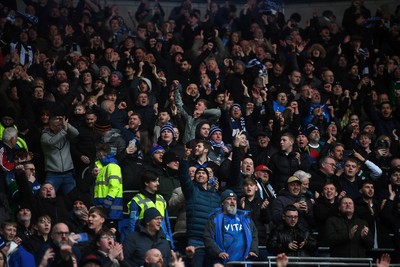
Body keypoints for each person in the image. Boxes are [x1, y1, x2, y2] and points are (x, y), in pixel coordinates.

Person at [179, 148, 220, 267]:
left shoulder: (216, 196)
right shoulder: (191, 190)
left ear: (208, 178)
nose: (201, 174)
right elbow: (183, 177)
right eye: (198, 173)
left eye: (203, 173)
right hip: (195, 239)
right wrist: (185, 159)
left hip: (212, 240)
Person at [204, 189, 258, 265]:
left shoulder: (245, 217)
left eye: (234, 199)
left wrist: (253, 250)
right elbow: (208, 237)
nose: (232, 201)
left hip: (244, 262)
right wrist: (218, 252)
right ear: (222, 203)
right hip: (223, 262)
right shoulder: (215, 218)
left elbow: (254, 235)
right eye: (229, 199)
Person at [127, 170, 173, 246]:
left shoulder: (161, 199)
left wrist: (170, 242)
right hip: (145, 239)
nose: (158, 183)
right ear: (146, 183)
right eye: (154, 181)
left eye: (158, 181)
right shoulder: (136, 200)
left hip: (163, 239)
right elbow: (132, 224)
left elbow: (167, 223)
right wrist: (133, 243)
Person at [41, 116, 79, 195]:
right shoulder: (45, 135)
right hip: (53, 173)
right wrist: (64, 130)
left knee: (72, 197)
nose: (61, 126)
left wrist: (67, 124)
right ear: (52, 127)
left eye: (62, 124)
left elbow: (76, 133)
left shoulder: (64, 132)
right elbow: (51, 142)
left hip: (68, 173)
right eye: (59, 125)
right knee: (47, 196)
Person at [92, 143, 123, 221]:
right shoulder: (101, 167)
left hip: (111, 210)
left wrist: (106, 204)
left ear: (101, 153)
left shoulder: (112, 166)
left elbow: (115, 188)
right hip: (103, 208)